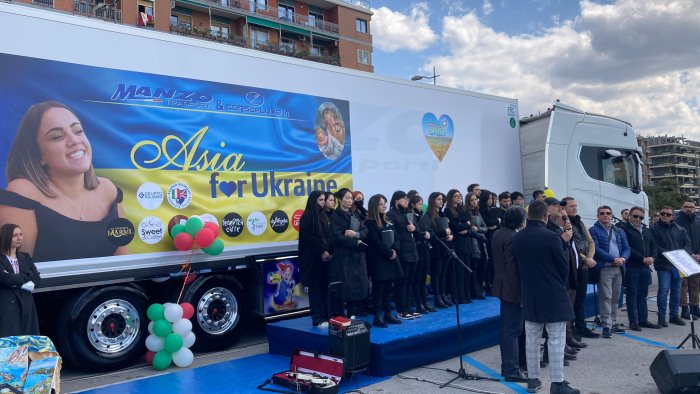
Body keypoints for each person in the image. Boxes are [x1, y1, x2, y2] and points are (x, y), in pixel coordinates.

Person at [0, 101, 128, 262]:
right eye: (57, 136)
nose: (75, 140)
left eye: (78, 131)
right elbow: (17, 273)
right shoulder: (23, 192)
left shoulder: (108, 190)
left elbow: (123, 264)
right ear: (39, 155)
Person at [513, 201, 580, 394]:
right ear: (545, 217)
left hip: (529, 293)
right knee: (556, 339)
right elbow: (563, 267)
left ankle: (533, 379)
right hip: (552, 293)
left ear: (528, 216)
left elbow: (517, 267)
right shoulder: (552, 237)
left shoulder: (518, 238)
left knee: (532, 338)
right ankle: (557, 383)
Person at [492, 206, 527, 383]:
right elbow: (513, 269)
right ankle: (511, 369)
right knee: (512, 331)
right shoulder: (514, 237)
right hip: (512, 289)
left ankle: (511, 366)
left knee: (509, 329)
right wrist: (520, 294)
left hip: (501, 286)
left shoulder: (499, 233)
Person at [589, 205, 630, 338]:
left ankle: (613, 322)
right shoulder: (593, 230)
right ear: (598, 216)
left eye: (608, 213)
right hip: (605, 268)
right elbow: (596, 249)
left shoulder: (619, 230)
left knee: (615, 297)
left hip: (619, 268)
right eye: (602, 213)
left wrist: (623, 259)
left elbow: (626, 247)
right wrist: (613, 259)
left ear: (612, 215)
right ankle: (606, 325)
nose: (605, 215)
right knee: (605, 296)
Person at [560, 197, 599, 339]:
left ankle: (581, 327)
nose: (575, 208)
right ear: (563, 208)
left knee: (581, 298)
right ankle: (571, 330)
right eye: (571, 206)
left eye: (575, 205)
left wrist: (590, 258)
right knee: (572, 299)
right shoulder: (564, 223)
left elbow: (590, 242)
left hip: (584, 266)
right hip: (574, 266)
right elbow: (572, 246)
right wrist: (585, 258)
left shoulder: (580, 221)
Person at [328, 188, 369, 318]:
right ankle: (340, 316)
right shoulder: (335, 216)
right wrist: (356, 242)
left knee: (355, 287)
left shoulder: (354, 214)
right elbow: (337, 237)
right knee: (344, 287)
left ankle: (352, 313)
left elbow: (364, 231)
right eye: (347, 198)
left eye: (351, 198)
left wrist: (355, 234)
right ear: (339, 199)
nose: (350, 200)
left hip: (356, 257)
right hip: (343, 257)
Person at [364, 194, 403, 327]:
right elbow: (375, 242)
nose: (384, 206)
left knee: (388, 289)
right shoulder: (369, 222)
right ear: (375, 206)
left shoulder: (388, 220)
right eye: (381, 204)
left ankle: (388, 314)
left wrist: (395, 250)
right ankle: (377, 316)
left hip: (390, 258)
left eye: (385, 203)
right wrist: (388, 253)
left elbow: (396, 237)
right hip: (379, 260)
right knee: (378, 290)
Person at [620, 206, 660, 331]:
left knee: (643, 294)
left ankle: (643, 319)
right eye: (635, 216)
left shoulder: (646, 230)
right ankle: (634, 321)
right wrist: (642, 258)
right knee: (632, 294)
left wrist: (652, 258)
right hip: (632, 266)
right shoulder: (623, 229)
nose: (638, 219)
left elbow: (654, 245)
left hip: (645, 267)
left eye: (641, 217)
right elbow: (627, 247)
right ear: (630, 216)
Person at [651, 206, 691, 327]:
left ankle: (674, 315)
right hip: (664, 265)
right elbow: (655, 246)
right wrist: (670, 255)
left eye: (668, 214)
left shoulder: (680, 229)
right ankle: (661, 317)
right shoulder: (654, 229)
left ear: (673, 216)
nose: (665, 216)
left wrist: (681, 255)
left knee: (677, 290)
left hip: (678, 265)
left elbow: (688, 244)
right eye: (663, 213)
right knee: (663, 290)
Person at [298, 191, 332, 327]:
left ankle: (327, 315)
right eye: (320, 200)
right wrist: (322, 251)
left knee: (326, 287)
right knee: (315, 289)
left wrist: (329, 251)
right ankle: (318, 318)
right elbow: (309, 238)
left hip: (325, 259)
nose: (323, 202)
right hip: (313, 259)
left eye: (324, 200)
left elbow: (328, 236)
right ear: (313, 201)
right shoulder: (307, 217)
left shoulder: (324, 216)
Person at [0, 223, 41, 337]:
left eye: (21, 234)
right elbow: (5, 278)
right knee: (10, 343)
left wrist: (16, 281)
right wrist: (27, 277)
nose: (19, 238)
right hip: (7, 308)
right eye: (15, 235)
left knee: (26, 340)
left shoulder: (25, 257)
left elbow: (37, 278)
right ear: (6, 237)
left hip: (26, 306)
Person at [387, 190, 420, 318]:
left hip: (413, 251)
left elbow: (417, 231)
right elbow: (392, 233)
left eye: (407, 198)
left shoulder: (409, 213)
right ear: (396, 200)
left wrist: (414, 228)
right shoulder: (391, 214)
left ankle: (409, 307)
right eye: (404, 198)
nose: (407, 201)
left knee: (410, 281)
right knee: (402, 282)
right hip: (402, 252)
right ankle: (401, 310)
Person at [444, 189, 472, 304]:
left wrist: (465, 227)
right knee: (459, 272)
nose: (459, 197)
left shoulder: (462, 209)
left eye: (460, 196)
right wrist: (466, 226)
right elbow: (455, 226)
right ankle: (459, 296)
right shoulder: (448, 210)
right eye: (456, 196)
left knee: (466, 270)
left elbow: (470, 224)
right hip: (457, 243)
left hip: (466, 241)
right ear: (451, 198)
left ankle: (467, 295)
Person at [674, 200, 700, 319]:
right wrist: (686, 255)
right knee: (683, 285)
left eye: (691, 207)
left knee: (695, 284)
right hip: (681, 259)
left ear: (695, 208)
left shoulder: (698, 221)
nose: (688, 209)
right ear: (682, 208)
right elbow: (674, 241)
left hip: (696, 258)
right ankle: (684, 309)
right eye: (686, 207)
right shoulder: (676, 221)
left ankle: (695, 307)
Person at [427, 192, 453, 308]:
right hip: (436, 247)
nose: (441, 201)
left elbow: (448, 229)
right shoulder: (428, 215)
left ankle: (442, 295)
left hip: (445, 245)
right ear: (433, 201)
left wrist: (451, 235)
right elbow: (430, 232)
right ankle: (437, 298)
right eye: (438, 199)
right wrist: (444, 232)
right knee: (436, 274)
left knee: (443, 273)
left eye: (442, 199)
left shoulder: (442, 214)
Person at [410, 194, 434, 313]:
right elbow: (415, 231)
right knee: (418, 277)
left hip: (425, 247)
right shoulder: (411, 216)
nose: (420, 206)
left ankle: (425, 302)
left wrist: (428, 233)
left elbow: (428, 228)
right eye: (419, 204)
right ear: (413, 204)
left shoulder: (422, 215)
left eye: (421, 204)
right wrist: (421, 233)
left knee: (424, 276)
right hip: (416, 248)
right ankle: (419, 303)